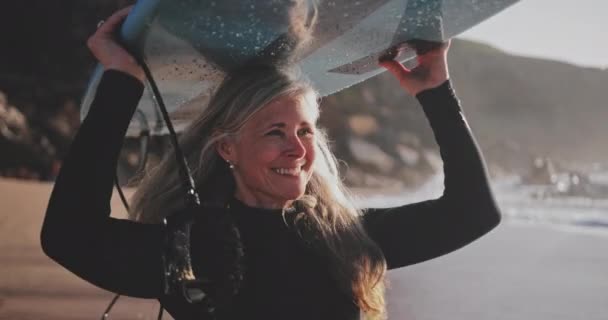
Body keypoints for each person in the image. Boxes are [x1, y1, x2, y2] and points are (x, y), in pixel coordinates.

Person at [41, 6, 501, 320]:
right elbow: (69, 235)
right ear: (227, 149)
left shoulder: (341, 239)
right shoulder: (193, 249)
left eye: (304, 132)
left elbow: (473, 213)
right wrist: (122, 84)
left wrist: (436, 92)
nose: (297, 150)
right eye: (274, 132)